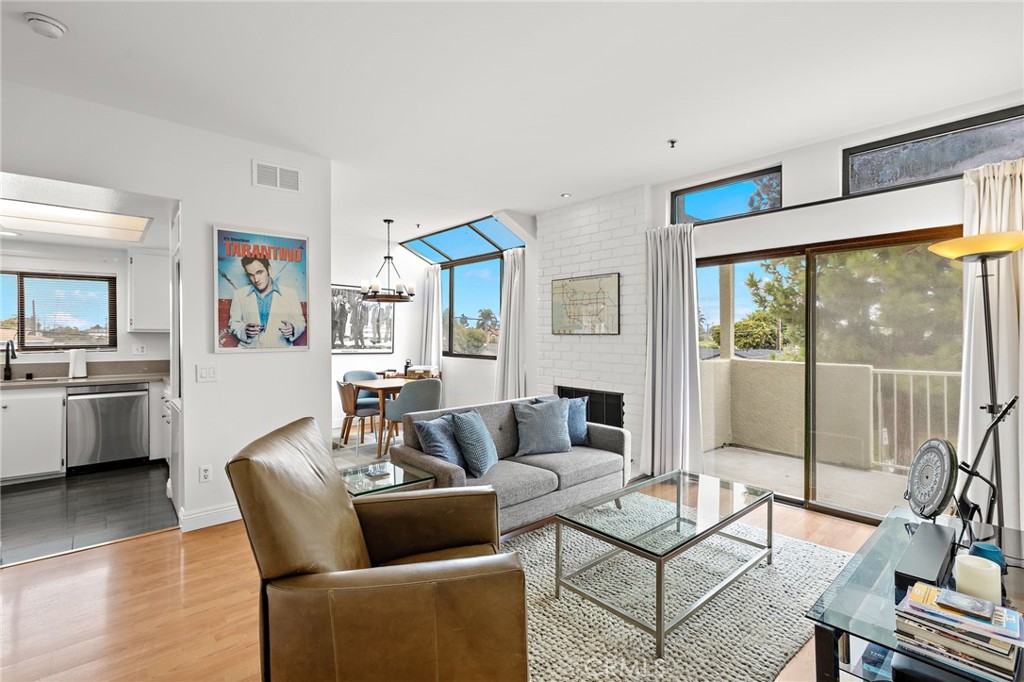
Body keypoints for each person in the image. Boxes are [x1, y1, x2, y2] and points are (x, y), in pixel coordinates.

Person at [228, 256, 306, 348]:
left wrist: (293, 329)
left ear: (269, 269)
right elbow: (233, 323)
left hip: (280, 351)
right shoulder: (239, 294)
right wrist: (244, 330)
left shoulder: (290, 294)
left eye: (259, 272)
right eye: (250, 275)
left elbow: (300, 323)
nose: (256, 279)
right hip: (249, 351)